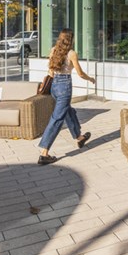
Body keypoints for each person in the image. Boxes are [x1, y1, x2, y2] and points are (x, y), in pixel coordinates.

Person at [37, 29, 96, 165]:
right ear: (71, 39)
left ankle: (79, 137)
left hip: (55, 87)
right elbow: (80, 73)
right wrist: (90, 79)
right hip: (64, 87)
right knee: (57, 119)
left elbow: (50, 71)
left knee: (68, 111)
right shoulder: (71, 53)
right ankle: (44, 153)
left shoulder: (53, 50)